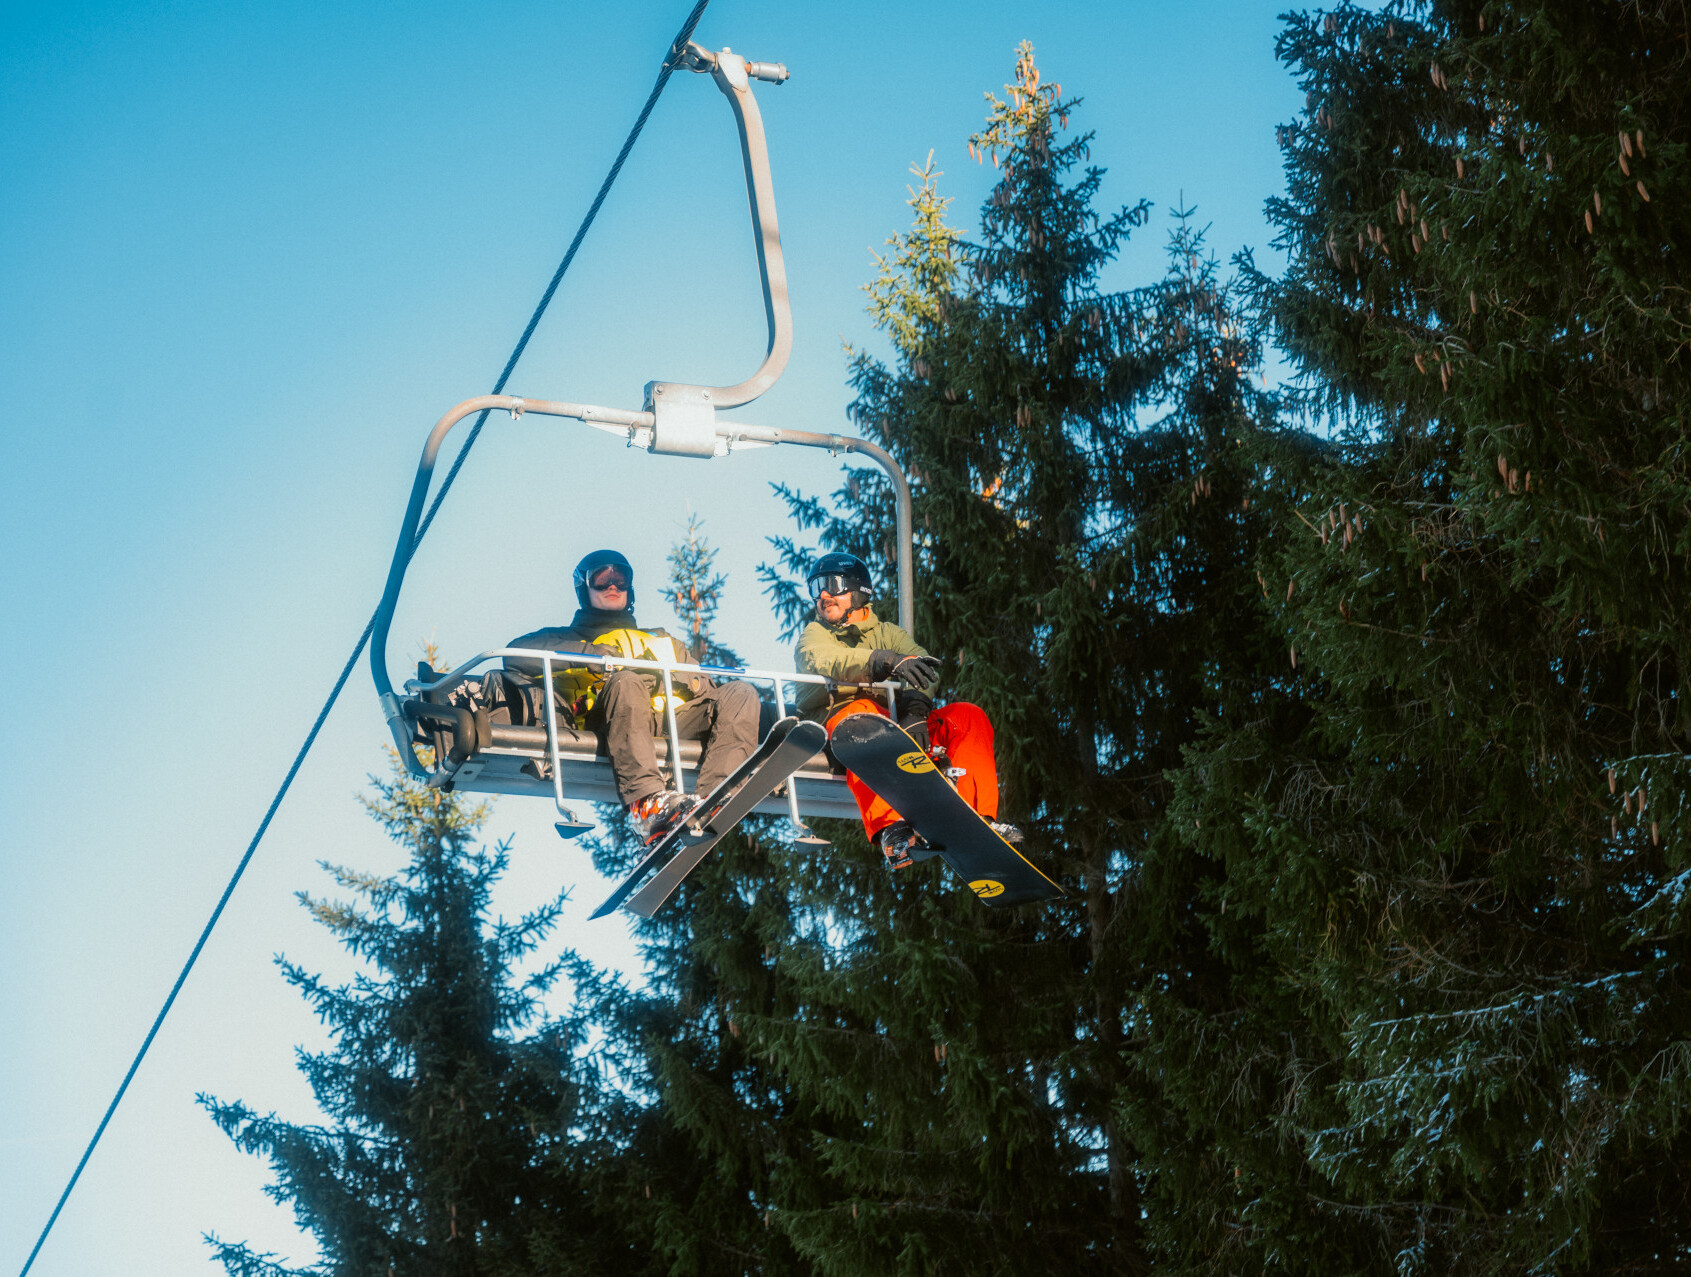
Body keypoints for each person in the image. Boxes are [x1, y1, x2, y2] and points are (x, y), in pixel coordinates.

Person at [506, 549, 760, 845]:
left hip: (668, 721)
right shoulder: (567, 638)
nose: (612, 586)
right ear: (583, 589)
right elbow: (515, 655)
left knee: (740, 693)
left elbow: (704, 686)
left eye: (620, 579)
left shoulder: (662, 640)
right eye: (601, 580)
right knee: (626, 681)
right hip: (607, 718)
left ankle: (715, 796)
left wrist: (681, 679)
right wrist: (588, 655)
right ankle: (647, 806)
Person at [793, 551, 1020, 869]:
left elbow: (922, 666)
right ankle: (892, 829)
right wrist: (881, 661)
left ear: (858, 591)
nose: (823, 595)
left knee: (967, 716)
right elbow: (823, 659)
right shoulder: (815, 634)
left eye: (831, 584)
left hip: (893, 723)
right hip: (843, 720)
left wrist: (915, 712)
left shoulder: (888, 632)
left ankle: (975, 815)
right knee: (863, 716)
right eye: (816, 588)